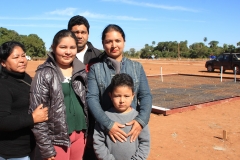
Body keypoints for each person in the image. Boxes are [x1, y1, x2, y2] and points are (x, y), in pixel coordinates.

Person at [87, 24, 152, 145]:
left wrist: (141, 121)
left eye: (118, 40)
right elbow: (92, 98)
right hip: (106, 132)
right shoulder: (96, 69)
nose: (114, 45)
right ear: (103, 44)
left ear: (124, 42)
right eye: (109, 41)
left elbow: (146, 95)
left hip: (132, 129)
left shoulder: (137, 67)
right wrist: (108, 124)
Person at [29, 29, 88, 160]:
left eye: (72, 47)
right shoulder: (44, 74)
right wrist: (46, 147)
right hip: (56, 139)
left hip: (80, 134)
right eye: (63, 47)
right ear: (53, 48)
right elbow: (37, 114)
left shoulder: (81, 71)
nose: (68, 52)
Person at [0, 41, 48, 160]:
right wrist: (32, 118)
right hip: (13, 152)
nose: (22, 60)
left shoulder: (24, 77)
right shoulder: (3, 85)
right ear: (3, 63)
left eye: (23, 55)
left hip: (29, 147)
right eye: (15, 57)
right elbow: (2, 121)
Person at [68, 15, 102, 160]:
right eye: (76, 32)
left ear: (88, 33)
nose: (80, 36)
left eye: (83, 32)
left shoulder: (99, 57)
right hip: (72, 117)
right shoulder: (63, 55)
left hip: (96, 116)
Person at [93, 73, 150, 160]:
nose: (122, 100)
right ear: (110, 96)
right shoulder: (104, 117)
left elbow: (145, 142)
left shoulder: (139, 118)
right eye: (117, 96)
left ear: (132, 96)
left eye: (126, 96)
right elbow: (98, 142)